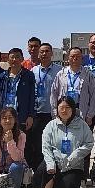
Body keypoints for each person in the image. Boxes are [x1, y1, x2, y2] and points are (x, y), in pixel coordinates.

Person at [35, 96, 94, 188]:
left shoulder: (82, 125)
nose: (64, 110)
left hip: (73, 165)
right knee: (43, 171)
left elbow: (89, 143)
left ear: (73, 109)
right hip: (54, 162)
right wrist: (51, 163)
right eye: (61, 107)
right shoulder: (51, 125)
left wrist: (76, 155)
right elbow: (46, 147)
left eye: (67, 107)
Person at [27, 42, 63, 172]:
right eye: (42, 51)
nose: (44, 54)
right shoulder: (33, 71)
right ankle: (38, 171)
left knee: (54, 143)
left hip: (53, 114)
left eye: (47, 51)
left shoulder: (60, 71)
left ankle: (55, 170)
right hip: (37, 113)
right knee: (37, 144)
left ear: (52, 53)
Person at [50, 47, 95, 125]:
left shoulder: (88, 74)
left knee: (80, 131)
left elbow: (93, 95)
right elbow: (54, 94)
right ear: (68, 58)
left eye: (78, 56)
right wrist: (55, 113)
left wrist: (90, 115)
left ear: (82, 58)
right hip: (64, 109)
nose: (75, 58)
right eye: (72, 56)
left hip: (81, 109)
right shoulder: (61, 74)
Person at [0, 48, 35, 131]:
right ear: (8, 60)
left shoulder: (28, 75)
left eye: (17, 57)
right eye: (12, 57)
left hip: (21, 117)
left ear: (22, 59)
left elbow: (32, 97)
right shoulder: (2, 77)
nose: (14, 60)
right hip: (4, 117)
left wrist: (30, 116)